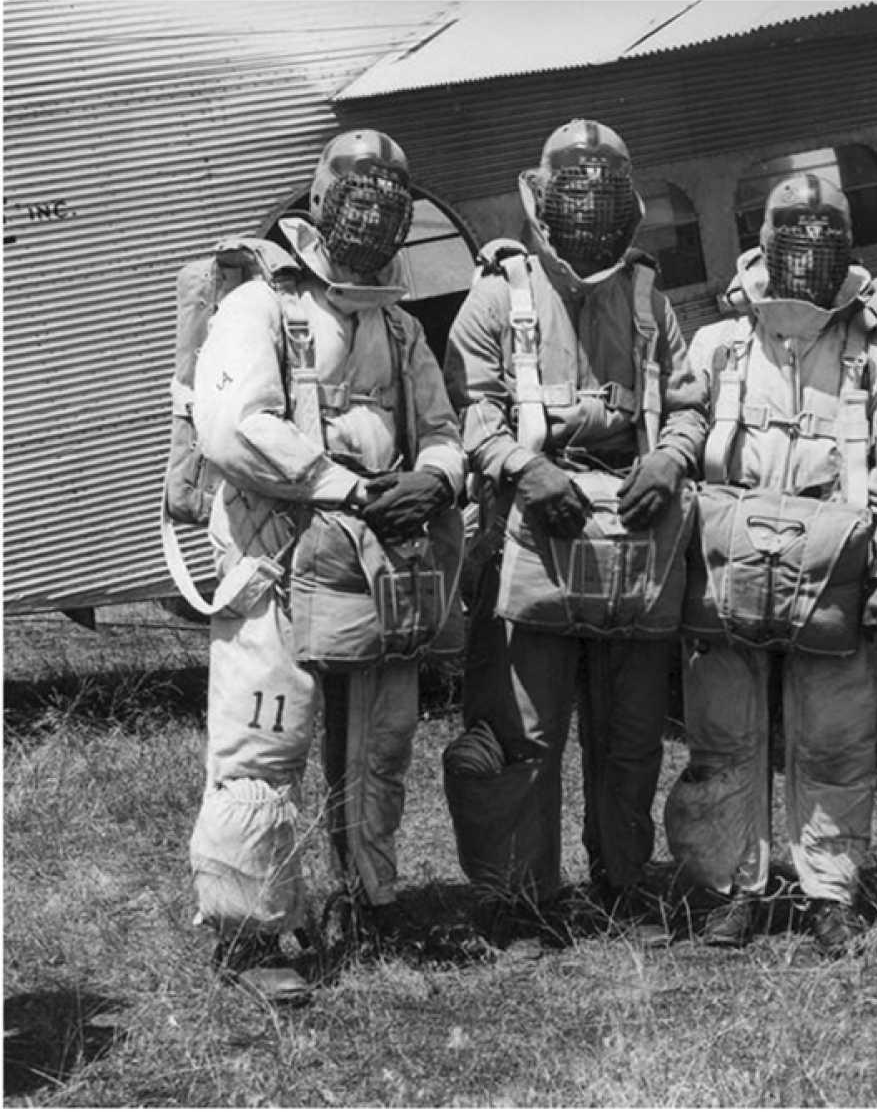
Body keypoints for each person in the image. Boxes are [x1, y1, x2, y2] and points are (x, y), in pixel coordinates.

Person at [189, 130, 465, 1002]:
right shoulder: (260, 305)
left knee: (379, 742)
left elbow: (443, 426)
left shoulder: (393, 321)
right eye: (357, 196)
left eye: (390, 201)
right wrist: (347, 485)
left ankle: (370, 898)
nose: (373, 213)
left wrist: (433, 479)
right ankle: (251, 932)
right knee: (264, 744)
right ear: (318, 200)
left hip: (368, 564)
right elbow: (234, 426)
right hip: (275, 561)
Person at [443, 119, 707, 934]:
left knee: (629, 730)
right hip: (528, 542)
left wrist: (671, 458)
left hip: (631, 540)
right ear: (542, 198)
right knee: (524, 727)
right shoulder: (497, 297)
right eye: (575, 193)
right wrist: (526, 469)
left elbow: (690, 405)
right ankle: (522, 900)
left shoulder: (647, 299)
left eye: (606, 194)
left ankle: (623, 882)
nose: (591, 211)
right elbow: (466, 411)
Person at [672, 173, 877, 956]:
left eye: (826, 238)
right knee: (721, 735)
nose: (810, 253)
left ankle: (828, 890)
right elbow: (679, 453)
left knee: (836, 740)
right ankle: (726, 888)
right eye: (794, 235)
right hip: (727, 571)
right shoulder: (715, 347)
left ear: (847, 250)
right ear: (764, 242)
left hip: (835, 574)